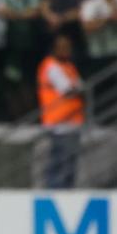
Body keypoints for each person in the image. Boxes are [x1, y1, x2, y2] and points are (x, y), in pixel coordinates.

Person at [37, 34, 83, 188]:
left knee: (70, 166)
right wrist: (76, 88)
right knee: (59, 165)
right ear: (54, 49)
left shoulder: (69, 66)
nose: (66, 50)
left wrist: (77, 88)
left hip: (72, 123)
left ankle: (65, 192)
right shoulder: (51, 66)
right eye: (62, 47)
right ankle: (55, 193)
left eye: (68, 47)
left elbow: (80, 87)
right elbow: (69, 90)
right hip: (58, 124)